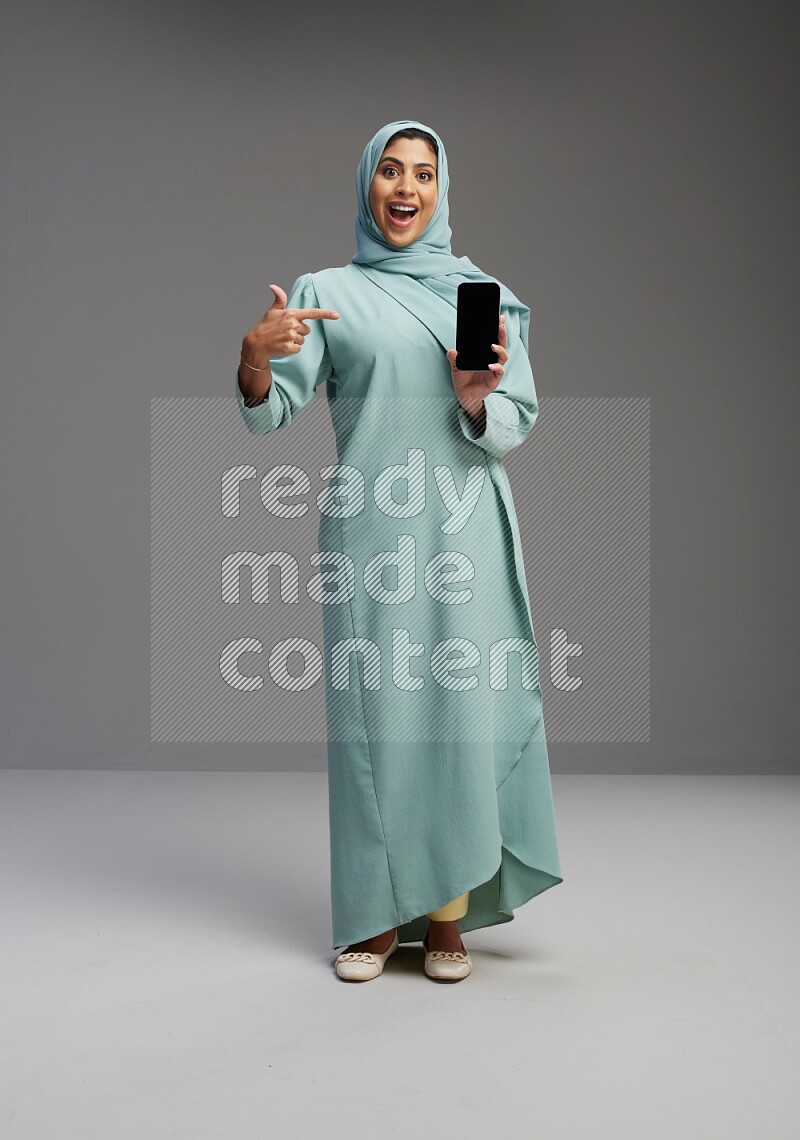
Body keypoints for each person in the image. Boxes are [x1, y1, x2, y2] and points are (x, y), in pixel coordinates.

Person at [235, 119, 563, 983]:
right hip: (372, 530)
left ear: (442, 189)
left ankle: (449, 912)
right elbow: (271, 414)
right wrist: (254, 360)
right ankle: (377, 915)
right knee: (376, 723)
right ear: (367, 185)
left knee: (457, 719)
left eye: (423, 171)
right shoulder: (328, 289)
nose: (406, 186)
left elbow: (514, 424)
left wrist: (475, 397)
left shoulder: (481, 292)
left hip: (465, 530)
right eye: (389, 170)